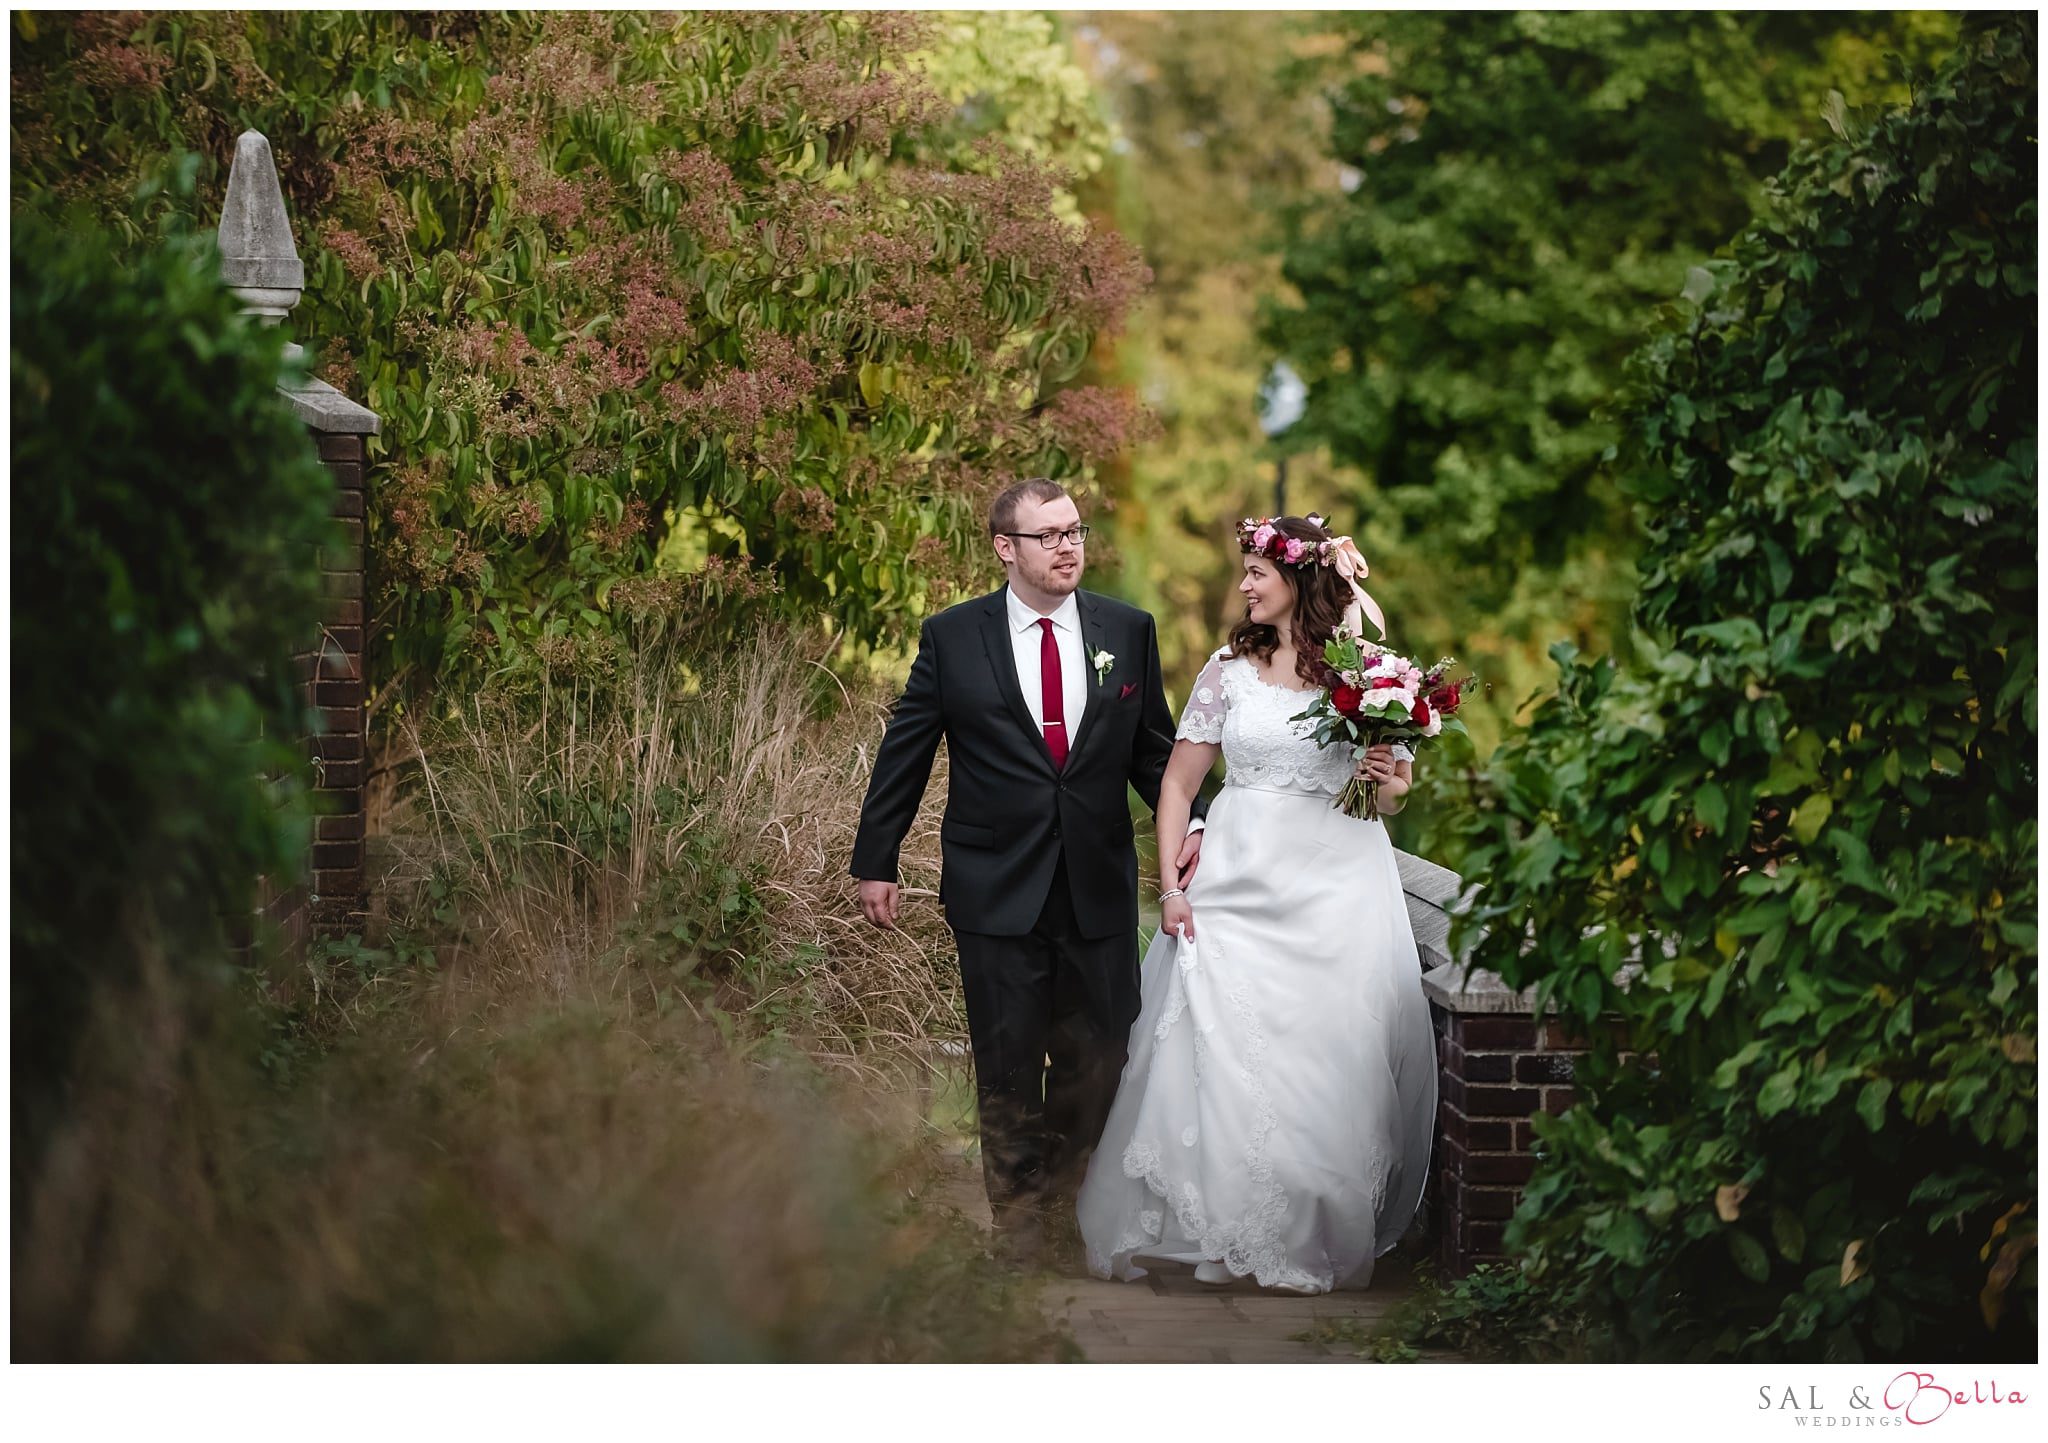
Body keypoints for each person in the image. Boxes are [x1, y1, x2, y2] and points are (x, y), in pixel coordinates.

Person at [1075, 513, 1438, 1295]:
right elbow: (1176, 782)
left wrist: (1384, 773)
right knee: (1216, 1046)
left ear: (1298, 580)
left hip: (1335, 887)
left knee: (1323, 1062)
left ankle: (1300, 1231)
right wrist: (1171, 888)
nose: (1242, 585)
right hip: (1234, 883)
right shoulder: (1225, 670)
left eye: (1255, 573)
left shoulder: (1369, 670)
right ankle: (1210, 1227)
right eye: (1243, 571)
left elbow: (1399, 791)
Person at [850, 478, 1208, 1263]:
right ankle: (1018, 1229)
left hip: (1096, 883)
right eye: (1047, 535)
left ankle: (1062, 1194)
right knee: (1007, 1060)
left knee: (1105, 1050)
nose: (1068, 546)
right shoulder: (953, 636)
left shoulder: (1127, 628)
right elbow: (906, 751)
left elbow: (1157, 750)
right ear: (1005, 547)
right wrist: (876, 858)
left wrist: (1200, 824)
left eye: (1075, 531)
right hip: (994, 886)